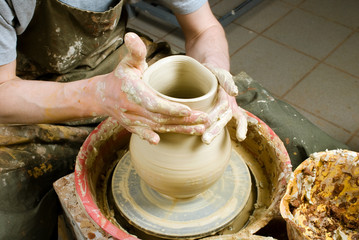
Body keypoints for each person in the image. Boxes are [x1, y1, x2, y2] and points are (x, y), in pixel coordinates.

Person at [0, 0, 349, 239]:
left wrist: (216, 80)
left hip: (130, 67)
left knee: (316, 155)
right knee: (10, 220)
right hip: (32, 93)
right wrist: (100, 95)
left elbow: (203, 30)